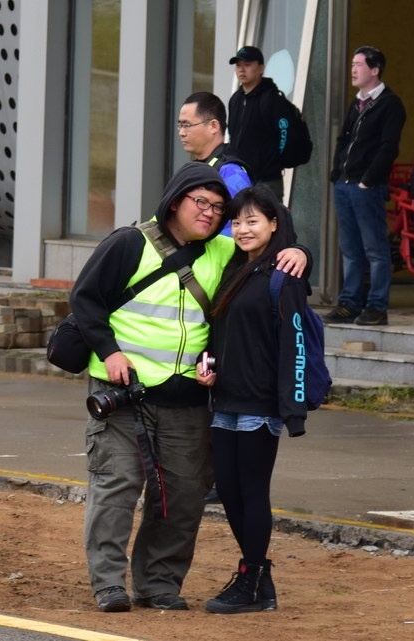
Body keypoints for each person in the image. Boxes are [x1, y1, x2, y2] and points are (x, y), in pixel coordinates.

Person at [69, 162, 307, 614]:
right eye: (202, 203)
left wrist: (302, 251)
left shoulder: (221, 252)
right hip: (123, 394)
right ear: (175, 200)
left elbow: (266, 247)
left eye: (219, 208)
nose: (212, 214)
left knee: (181, 497)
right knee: (117, 486)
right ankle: (108, 584)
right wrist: (110, 350)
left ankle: (158, 583)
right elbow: (84, 298)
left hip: (188, 400)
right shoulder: (128, 243)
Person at [195, 185, 309, 614]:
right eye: (237, 221)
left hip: (260, 404)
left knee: (252, 490)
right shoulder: (233, 269)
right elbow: (217, 332)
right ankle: (259, 578)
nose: (242, 229)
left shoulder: (285, 274)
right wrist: (209, 365)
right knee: (228, 490)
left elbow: (294, 345)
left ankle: (251, 578)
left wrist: (291, 408)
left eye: (252, 221)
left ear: (274, 224)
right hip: (225, 399)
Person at [326, 45, 406, 327]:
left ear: (375, 70)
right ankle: (350, 303)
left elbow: (388, 148)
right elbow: (343, 140)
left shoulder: (389, 104)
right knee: (350, 248)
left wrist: (367, 181)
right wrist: (337, 173)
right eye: (352, 64)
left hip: (366, 187)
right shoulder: (356, 102)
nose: (353, 69)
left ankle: (376, 306)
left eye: (359, 64)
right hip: (345, 185)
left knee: (375, 249)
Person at [178, 92, 253, 234]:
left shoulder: (231, 171)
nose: (181, 132)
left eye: (187, 125)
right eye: (180, 125)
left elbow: (236, 234)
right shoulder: (196, 168)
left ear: (213, 126)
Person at [227, 46, 292, 201]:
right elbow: (232, 135)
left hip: (267, 181)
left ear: (261, 68)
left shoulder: (273, 99)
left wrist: (272, 164)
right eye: (238, 65)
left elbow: (285, 137)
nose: (241, 70)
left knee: (269, 224)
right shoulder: (235, 99)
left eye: (247, 65)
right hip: (239, 180)